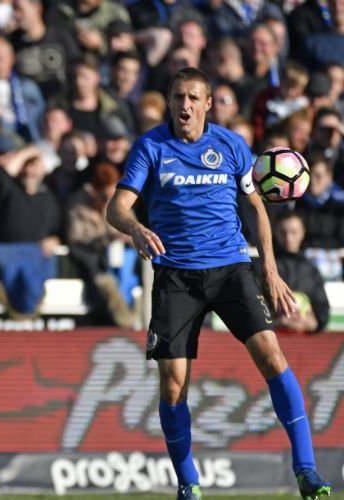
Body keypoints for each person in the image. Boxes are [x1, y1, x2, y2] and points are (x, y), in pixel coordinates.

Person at [106, 67, 332, 500]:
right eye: (177, 98)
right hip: (176, 276)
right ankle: (188, 482)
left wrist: (268, 269)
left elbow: (257, 207)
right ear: (170, 102)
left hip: (230, 269)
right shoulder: (150, 146)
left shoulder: (231, 145)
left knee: (272, 355)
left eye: (193, 98)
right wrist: (134, 228)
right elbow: (117, 207)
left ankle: (306, 470)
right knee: (173, 384)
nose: (185, 106)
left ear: (208, 104)